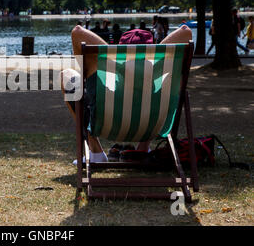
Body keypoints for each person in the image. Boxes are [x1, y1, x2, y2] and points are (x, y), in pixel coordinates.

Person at [61, 24, 193, 164]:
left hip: (108, 127)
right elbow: (185, 31)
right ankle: (143, 148)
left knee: (66, 76)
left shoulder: (103, 71)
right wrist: (155, 59)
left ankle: (96, 152)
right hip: (152, 128)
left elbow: (77, 31)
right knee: (168, 83)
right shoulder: (163, 73)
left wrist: (117, 63)